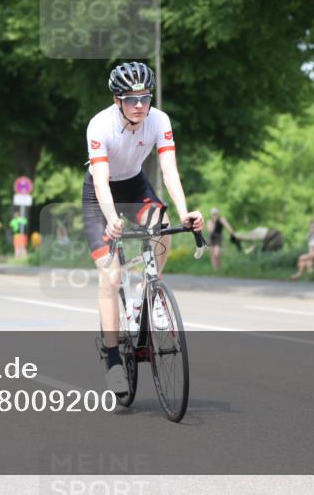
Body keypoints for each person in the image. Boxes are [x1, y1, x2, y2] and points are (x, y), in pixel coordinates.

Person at [83, 62, 203, 395]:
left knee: (162, 225)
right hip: (100, 195)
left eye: (145, 97)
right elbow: (102, 182)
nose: (140, 105)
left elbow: (169, 170)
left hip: (135, 187)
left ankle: (146, 294)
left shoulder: (159, 120)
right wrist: (111, 217)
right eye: (132, 98)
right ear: (117, 99)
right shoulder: (99, 125)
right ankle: (112, 361)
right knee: (110, 276)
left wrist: (185, 212)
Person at [206, 208, 236, 273]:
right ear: (211, 214)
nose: (214, 215)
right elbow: (210, 230)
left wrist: (233, 233)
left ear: (218, 214)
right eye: (213, 214)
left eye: (215, 214)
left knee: (217, 254)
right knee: (213, 255)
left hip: (218, 238)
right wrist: (214, 223)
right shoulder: (209, 221)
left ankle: (218, 269)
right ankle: (215, 270)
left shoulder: (222, 220)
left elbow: (228, 227)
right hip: (211, 238)